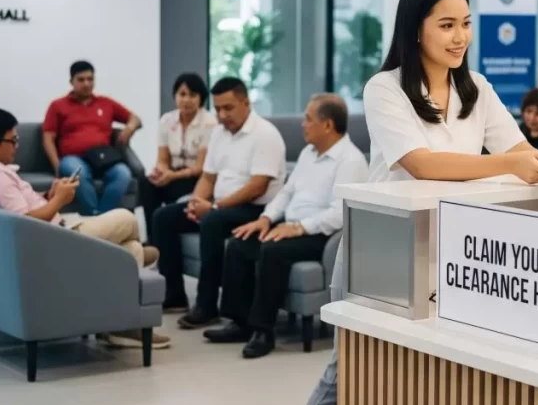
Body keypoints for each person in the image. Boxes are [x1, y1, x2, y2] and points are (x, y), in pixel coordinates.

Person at [287, 0, 538, 405]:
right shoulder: (384, 88)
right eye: (447, 25)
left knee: (432, 379)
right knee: (346, 373)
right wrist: (510, 164)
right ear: (416, 30)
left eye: (467, 24)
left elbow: (517, 148)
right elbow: (422, 163)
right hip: (382, 250)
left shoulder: (475, 88)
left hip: (453, 250)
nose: (460, 37)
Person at [0, 107, 168, 350]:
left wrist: (50, 195)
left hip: (52, 231)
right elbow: (24, 223)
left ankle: (120, 320)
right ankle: (122, 312)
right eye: (13, 140)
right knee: (127, 219)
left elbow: (17, 209)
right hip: (54, 241)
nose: (17, 145)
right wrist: (59, 200)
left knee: (129, 247)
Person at [205, 93, 369, 358]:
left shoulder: (350, 161)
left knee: (271, 250)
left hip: (321, 236)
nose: (302, 124)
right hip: (291, 226)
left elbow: (341, 213)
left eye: (308, 118)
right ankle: (240, 322)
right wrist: (266, 218)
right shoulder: (308, 153)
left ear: (327, 125)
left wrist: (299, 228)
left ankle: (263, 331)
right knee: (240, 243)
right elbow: (285, 193)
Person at [150, 77, 286, 329]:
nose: (222, 115)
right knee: (164, 217)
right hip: (221, 205)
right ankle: (174, 294)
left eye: (228, 108)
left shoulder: (265, 134)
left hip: (255, 209)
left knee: (212, 221)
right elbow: (208, 176)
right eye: (218, 109)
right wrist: (196, 201)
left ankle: (207, 305)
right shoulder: (219, 134)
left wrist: (213, 207)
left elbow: (258, 187)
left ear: (246, 102)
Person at [42, 61, 142, 216]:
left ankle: (101, 218)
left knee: (123, 173)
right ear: (71, 82)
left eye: (90, 79)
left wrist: (129, 128)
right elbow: (48, 137)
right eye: (81, 80)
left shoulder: (105, 103)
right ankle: (96, 216)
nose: (86, 84)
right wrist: (57, 166)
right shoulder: (58, 105)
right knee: (77, 173)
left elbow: (135, 118)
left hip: (103, 158)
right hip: (74, 159)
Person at [140, 72, 217, 239]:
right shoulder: (167, 120)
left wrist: (171, 176)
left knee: (171, 188)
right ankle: (153, 241)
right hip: (173, 173)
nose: (186, 100)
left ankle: (162, 234)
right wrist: (160, 171)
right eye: (182, 94)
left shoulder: (209, 123)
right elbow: (162, 159)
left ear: (201, 98)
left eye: (192, 95)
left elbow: (200, 168)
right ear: (175, 96)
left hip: (196, 178)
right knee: (147, 185)